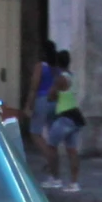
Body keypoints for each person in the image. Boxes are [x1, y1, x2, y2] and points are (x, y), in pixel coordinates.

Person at [44, 50, 85, 193]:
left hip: (64, 117)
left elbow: (51, 96)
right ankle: (74, 183)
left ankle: (55, 178)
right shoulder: (72, 76)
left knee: (51, 146)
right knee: (72, 150)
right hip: (75, 116)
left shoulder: (60, 78)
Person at [24, 39, 60, 160]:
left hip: (42, 99)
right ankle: (53, 160)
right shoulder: (57, 68)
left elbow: (34, 86)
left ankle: (50, 158)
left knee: (35, 132)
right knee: (51, 134)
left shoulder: (40, 67)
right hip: (55, 101)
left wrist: (28, 105)